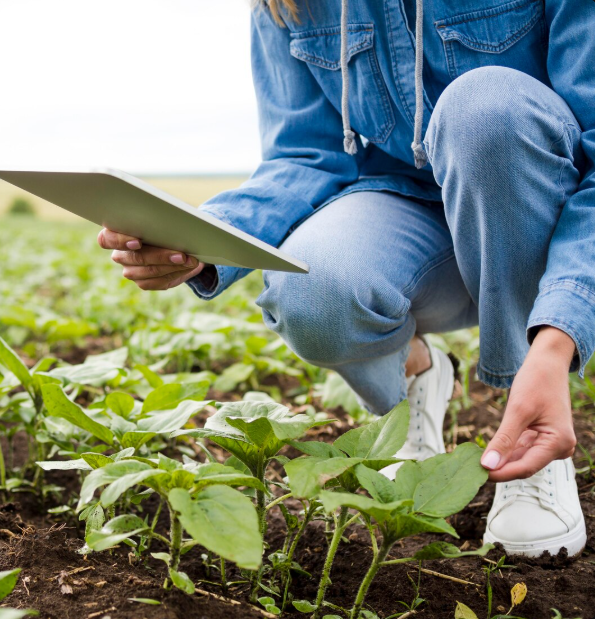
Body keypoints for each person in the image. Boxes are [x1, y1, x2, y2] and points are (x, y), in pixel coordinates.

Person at [97, 0, 594, 557]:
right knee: (311, 291)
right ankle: (414, 385)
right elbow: (303, 155)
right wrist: (205, 237)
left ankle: (531, 438)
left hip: (537, 217)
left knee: (483, 110)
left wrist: (556, 343)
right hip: (408, 218)